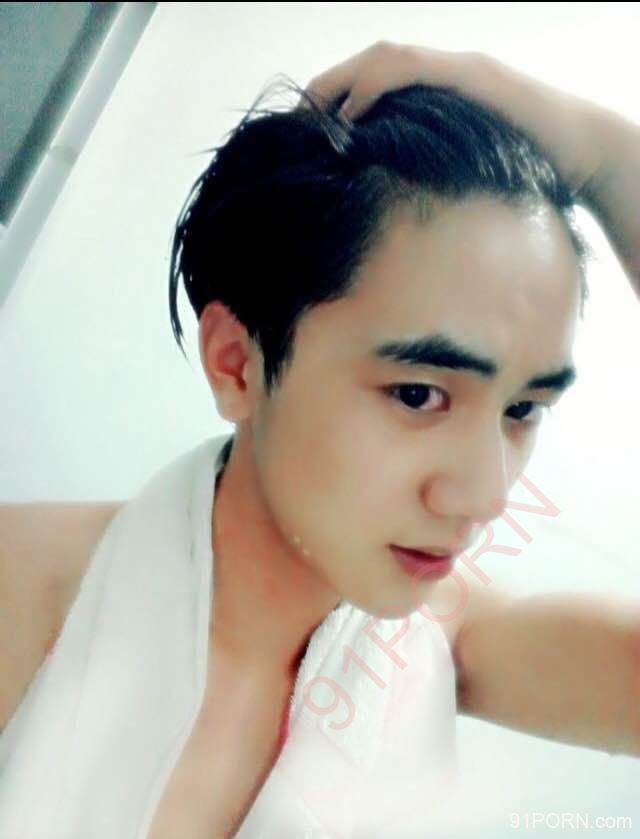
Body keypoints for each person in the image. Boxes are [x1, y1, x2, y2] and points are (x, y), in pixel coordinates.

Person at [0, 42, 638, 838]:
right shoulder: (22, 589)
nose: (484, 495)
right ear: (237, 363)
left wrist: (604, 155)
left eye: (524, 409)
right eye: (418, 394)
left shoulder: (446, 646)